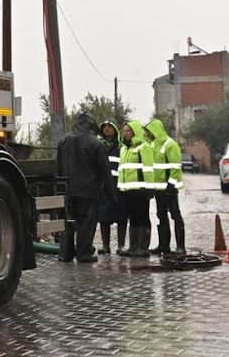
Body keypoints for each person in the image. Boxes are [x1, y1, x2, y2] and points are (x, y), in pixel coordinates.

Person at [55, 112, 116, 262]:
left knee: (68, 223)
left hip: (68, 191)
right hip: (88, 192)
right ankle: (84, 254)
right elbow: (105, 172)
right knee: (86, 224)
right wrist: (112, 195)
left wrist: (59, 189)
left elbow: (58, 167)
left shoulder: (63, 141)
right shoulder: (96, 143)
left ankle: (65, 254)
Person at [144, 118, 186, 255]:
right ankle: (163, 246)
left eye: (149, 131)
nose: (148, 134)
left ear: (156, 130)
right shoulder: (153, 145)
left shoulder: (170, 144)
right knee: (161, 215)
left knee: (175, 215)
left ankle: (181, 247)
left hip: (169, 188)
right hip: (158, 189)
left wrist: (171, 185)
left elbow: (175, 166)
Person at [116, 119, 155, 258]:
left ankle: (143, 248)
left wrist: (150, 189)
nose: (126, 133)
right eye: (124, 131)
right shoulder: (124, 148)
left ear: (135, 131)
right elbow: (122, 170)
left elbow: (148, 169)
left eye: (128, 130)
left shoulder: (143, 147)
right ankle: (133, 247)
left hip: (140, 189)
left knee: (142, 217)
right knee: (132, 218)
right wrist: (120, 188)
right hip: (127, 191)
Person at [97, 120, 128, 255]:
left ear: (115, 130)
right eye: (105, 127)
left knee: (121, 217)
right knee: (104, 218)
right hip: (103, 188)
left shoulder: (121, 147)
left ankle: (121, 245)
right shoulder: (98, 146)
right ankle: (105, 246)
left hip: (119, 187)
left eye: (110, 127)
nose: (107, 129)